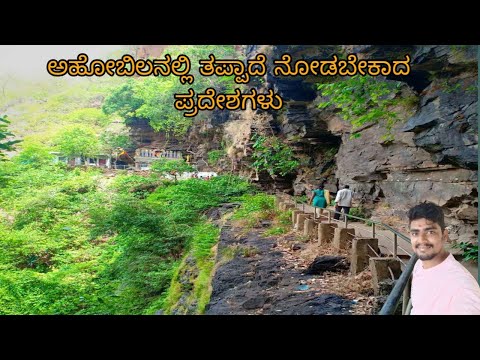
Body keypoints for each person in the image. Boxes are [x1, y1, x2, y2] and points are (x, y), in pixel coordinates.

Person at [408, 202, 480, 315]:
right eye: (415, 233)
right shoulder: (419, 265)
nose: (421, 240)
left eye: (430, 232)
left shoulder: (462, 288)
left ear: (444, 236)